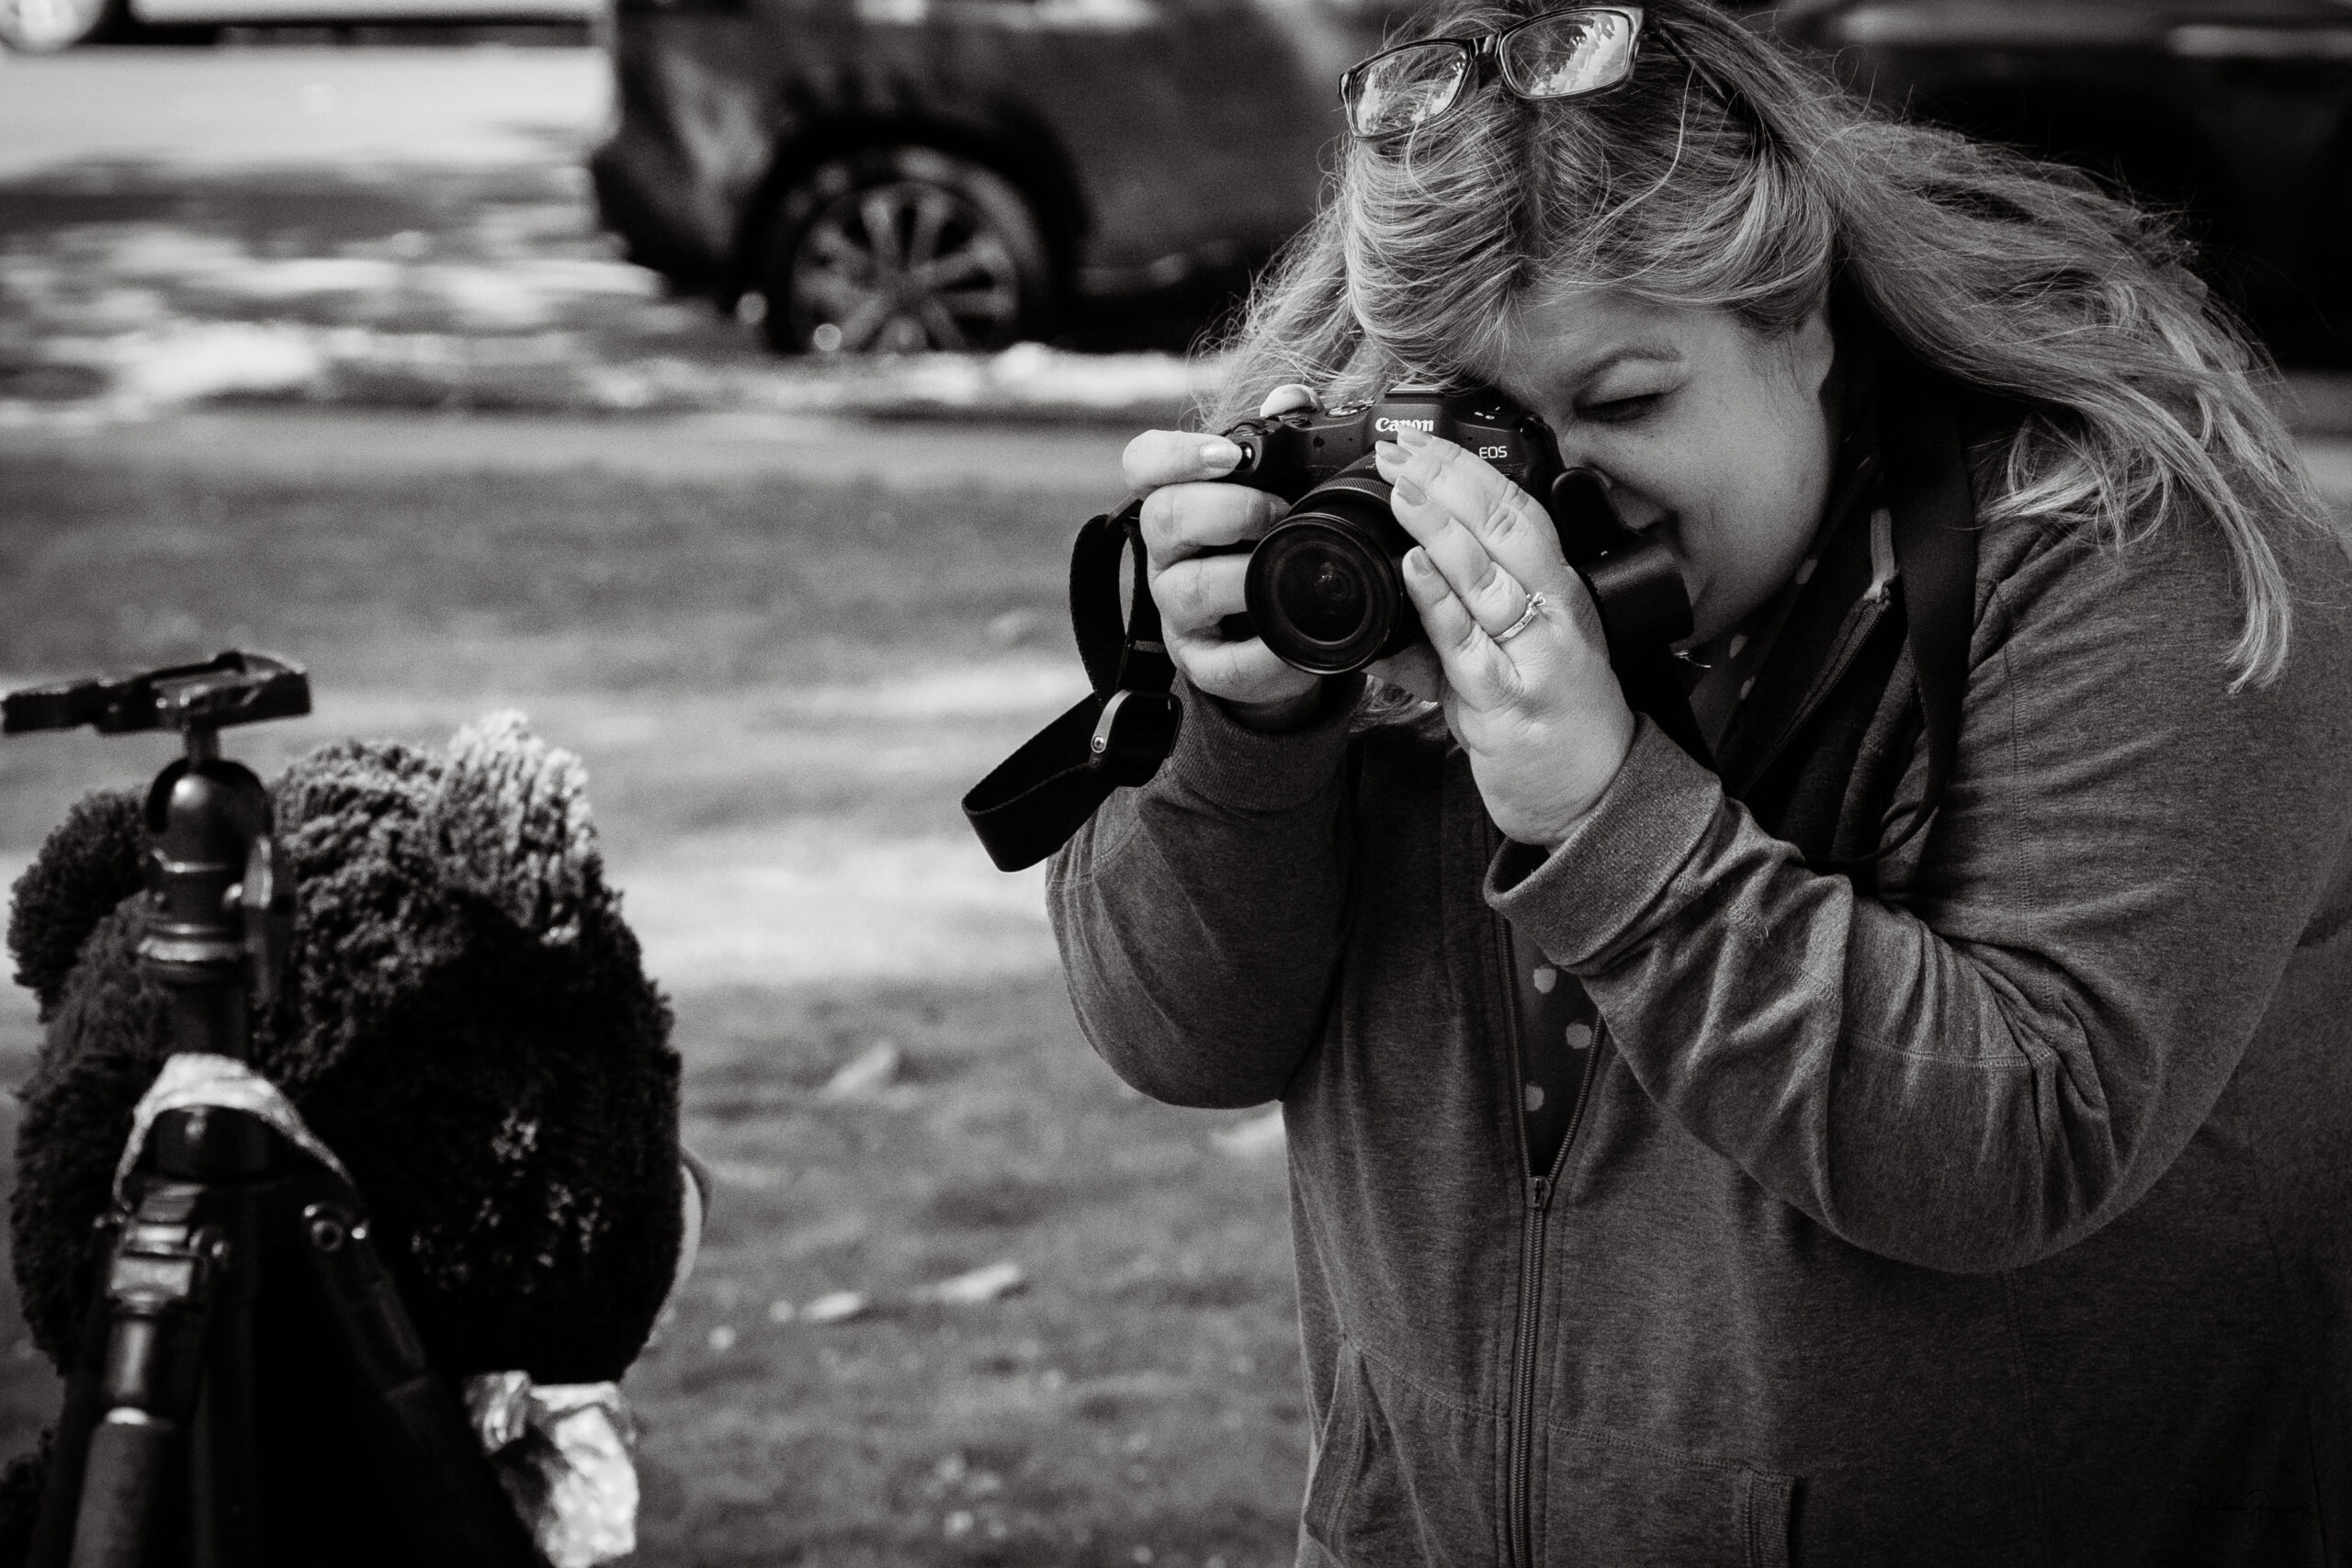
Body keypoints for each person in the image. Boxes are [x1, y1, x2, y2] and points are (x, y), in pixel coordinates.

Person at [1046, 1, 2352, 1562]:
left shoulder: (2142, 561)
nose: (1530, 498)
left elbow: (2025, 1139)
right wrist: (1244, 738)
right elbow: (1179, 1035)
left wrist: (1605, 815)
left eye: (1622, 403)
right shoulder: (1355, 529)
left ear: (1804, 323)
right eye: (1465, 423)